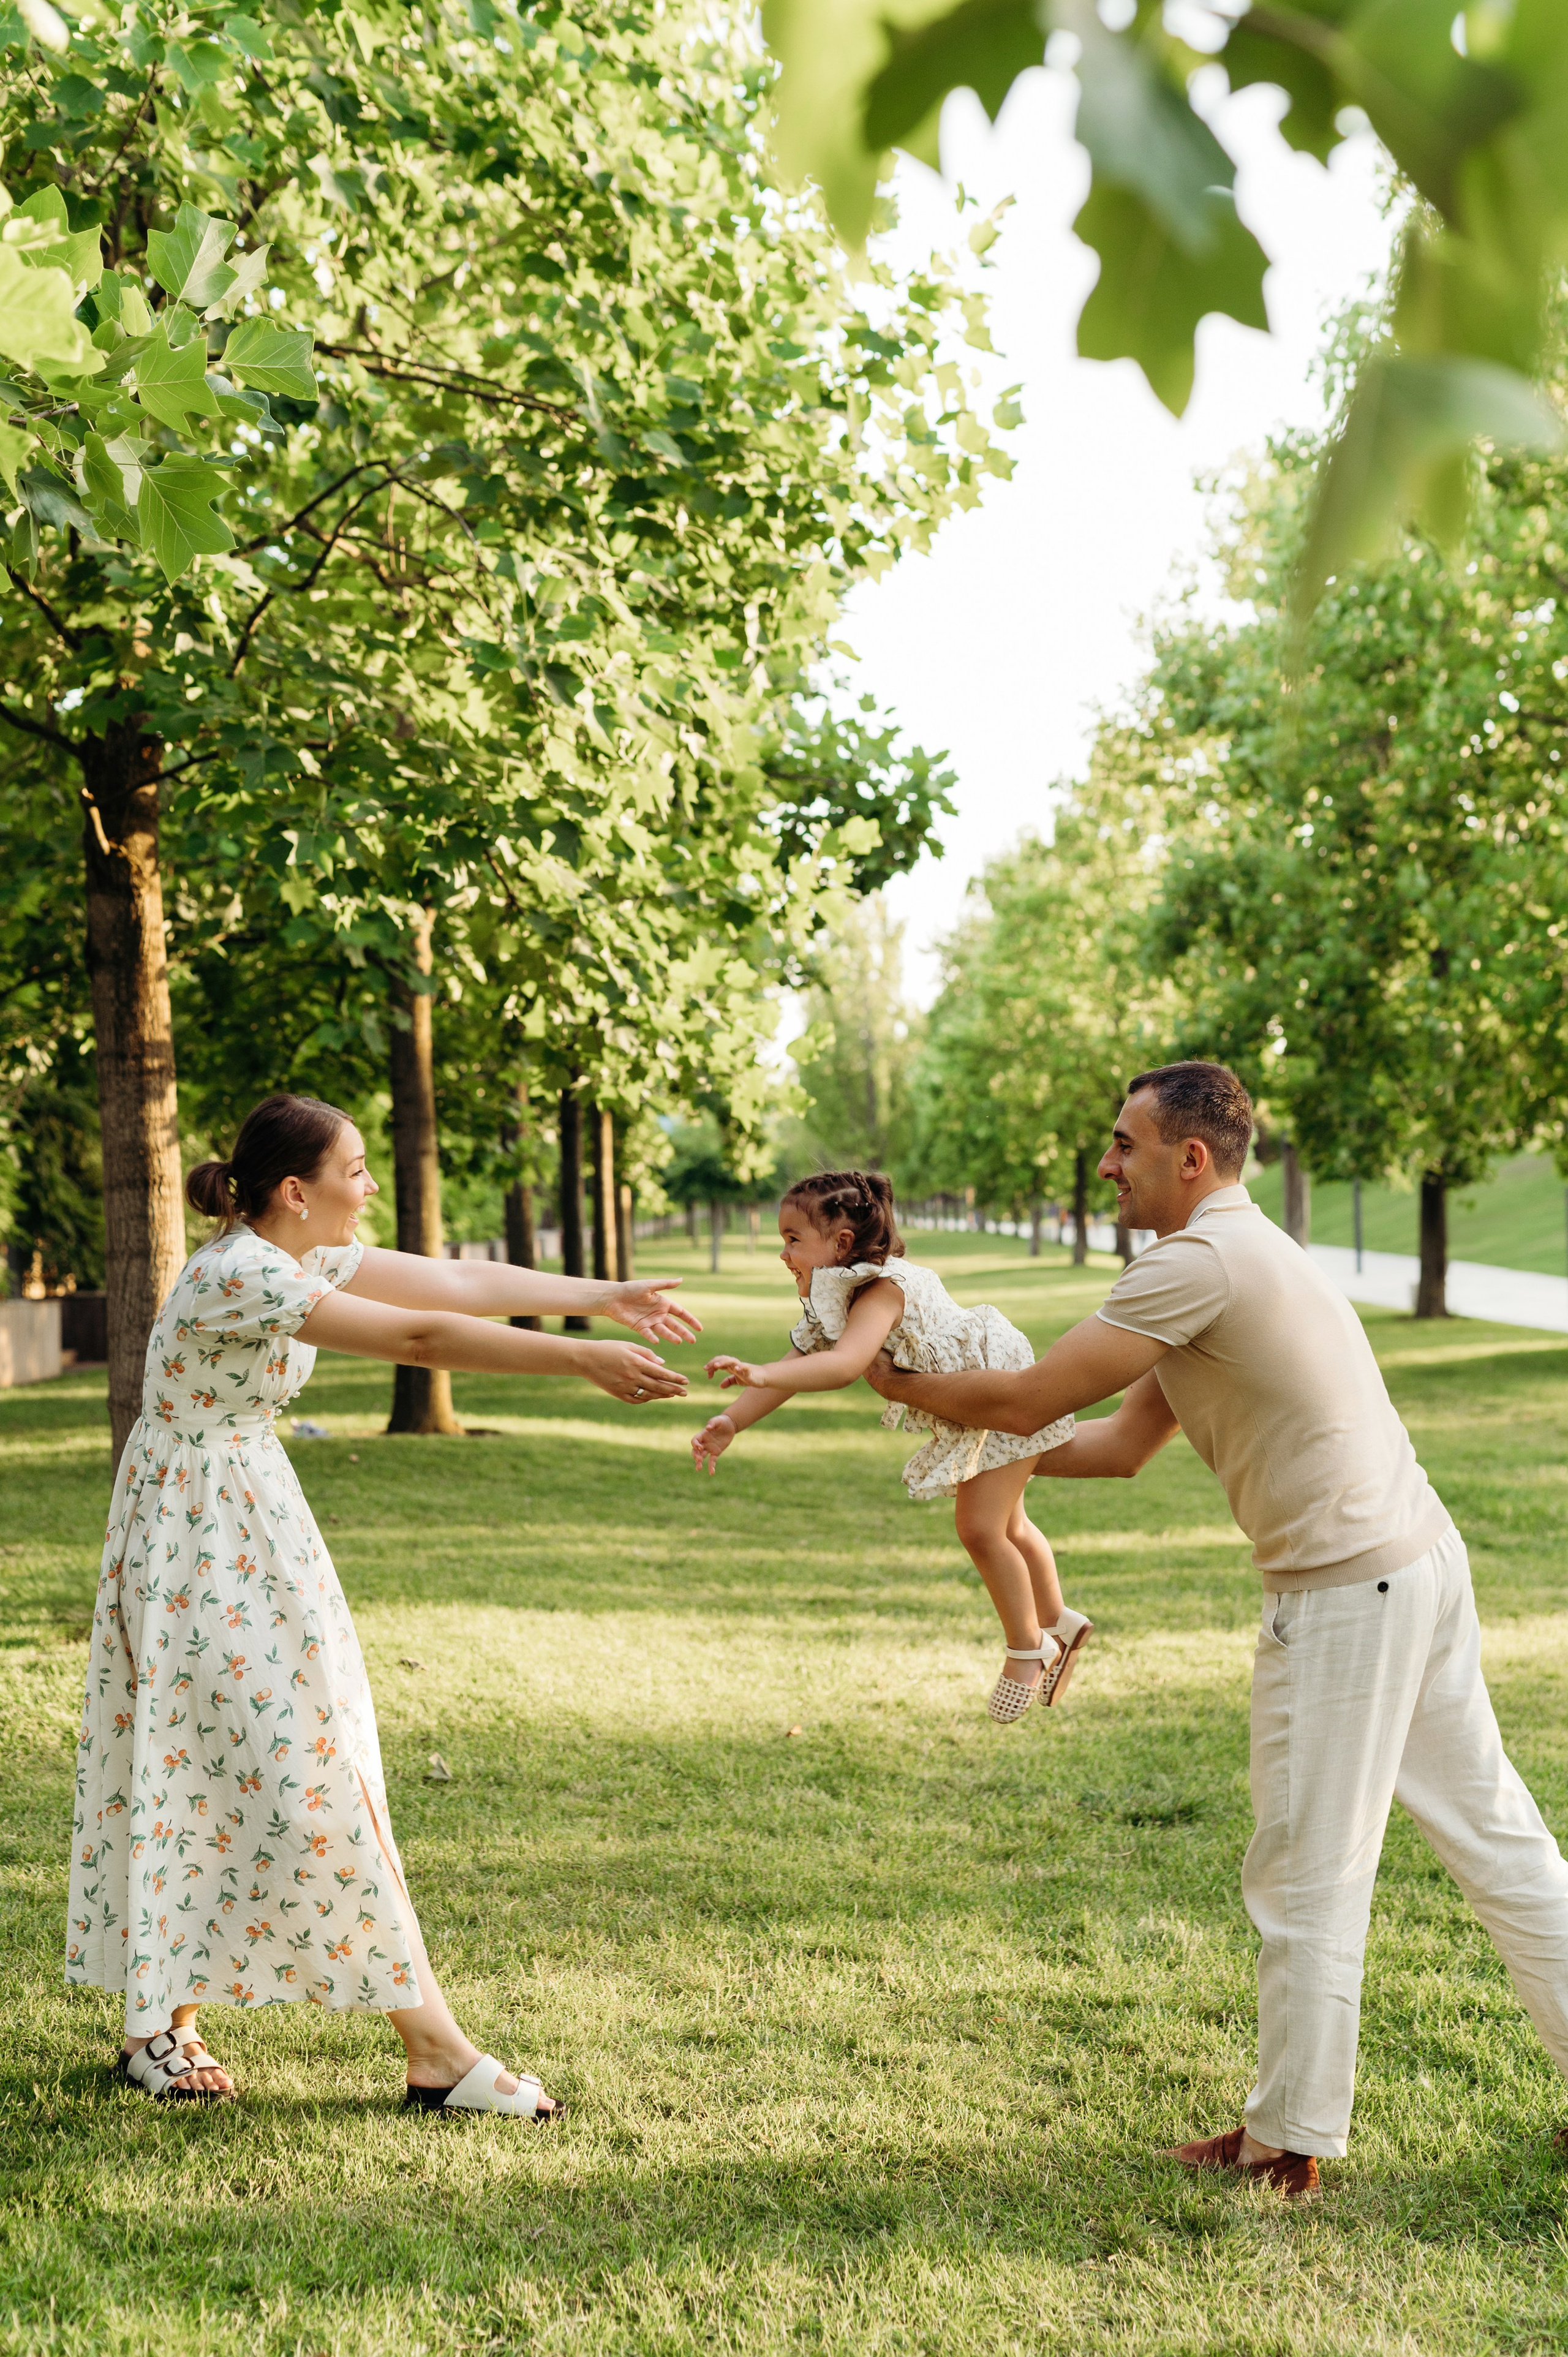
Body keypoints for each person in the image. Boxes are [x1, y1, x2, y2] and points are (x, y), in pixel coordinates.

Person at [863, 1061, 1568, 2197]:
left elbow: (1031, 1399)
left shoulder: (1198, 1259)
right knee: (1500, 1841)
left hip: (1349, 1591)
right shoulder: (1232, 1257)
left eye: (1123, 1143)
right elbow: (1113, 1443)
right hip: (1411, 1561)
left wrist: (887, 1371)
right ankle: (1293, 2127)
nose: (1105, 1163)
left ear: (1190, 1159)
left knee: (1307, 1872)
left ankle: (1287, 2142)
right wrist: (963, 1428)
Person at [69, 1092, 698, 2118]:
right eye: (355, 1170)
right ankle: (427, 2050)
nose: (368, 1185)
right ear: (293, 1191)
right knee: (291, 1759)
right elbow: (417, 1328)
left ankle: (165, 2023)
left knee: (250, 1752)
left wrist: (607, 1291)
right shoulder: (243, 1272)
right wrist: (578, 1353)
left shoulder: (296, 1254)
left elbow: (455, 1278)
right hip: (198, 1534)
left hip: (243, 1514)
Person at [690, 1169, 1091, 1717]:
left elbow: (845, 1365)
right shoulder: (840, 1294)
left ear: (842, 1243)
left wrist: (758, 1374)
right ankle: (1059, 1622)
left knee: (981, 1528)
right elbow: (803, 1358)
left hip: (991, 1387)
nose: (783, 1254)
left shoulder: (882, 1289)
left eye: (792, 1240)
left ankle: (1028, 1647)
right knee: (1012, 1525)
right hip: (970, 1396)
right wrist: (733, 1422)